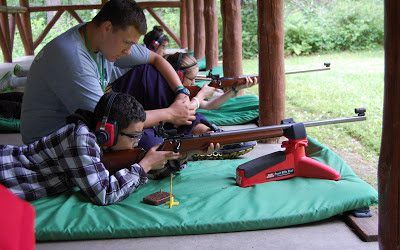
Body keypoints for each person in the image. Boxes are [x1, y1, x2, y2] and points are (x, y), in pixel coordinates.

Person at [21, 0, 196, 145]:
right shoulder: (71, 56)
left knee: (150, 73)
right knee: (152, 145)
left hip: (87, 125)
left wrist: (181, 92)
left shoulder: (99, 37)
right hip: (49, 144)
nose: (129, 51)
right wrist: (170, 114)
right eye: (127, 43)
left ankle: (194, 124)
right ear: (107, 28)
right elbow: (111, 120)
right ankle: (187, 124)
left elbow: (157, 59)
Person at [0, 92, 218, 205]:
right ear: (108, 132)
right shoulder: (81, 139)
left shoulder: (99, 139)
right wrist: (144, 166)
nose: (137, 141)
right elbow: (105, 194)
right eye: (133, 136)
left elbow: (143, 170)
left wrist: (187, 153)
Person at [164, 52, 258, 110]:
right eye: (191, 79)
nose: (194, 83)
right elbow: (184, 111)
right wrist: (201, 95)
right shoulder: (165, 91)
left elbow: (209, 106)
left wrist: (234, 89)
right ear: (178, 76)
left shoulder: (183, 90)